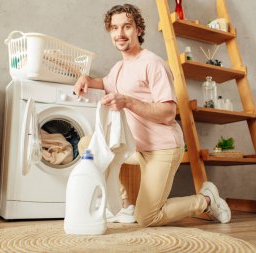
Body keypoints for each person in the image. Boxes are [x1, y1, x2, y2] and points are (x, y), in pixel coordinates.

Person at [73, 3, 231, 227]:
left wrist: (127, 101)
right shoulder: (119, 68)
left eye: (126, 26)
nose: (120, 33)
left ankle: (205, 200)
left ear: (138, 30)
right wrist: (85, 79)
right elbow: (103, 83)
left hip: (162, 149)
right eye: (115, 28)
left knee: (147, 218)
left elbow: (168, 112)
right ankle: (126, 203)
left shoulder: (153, 64)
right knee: (88, 144)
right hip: (135, 149)